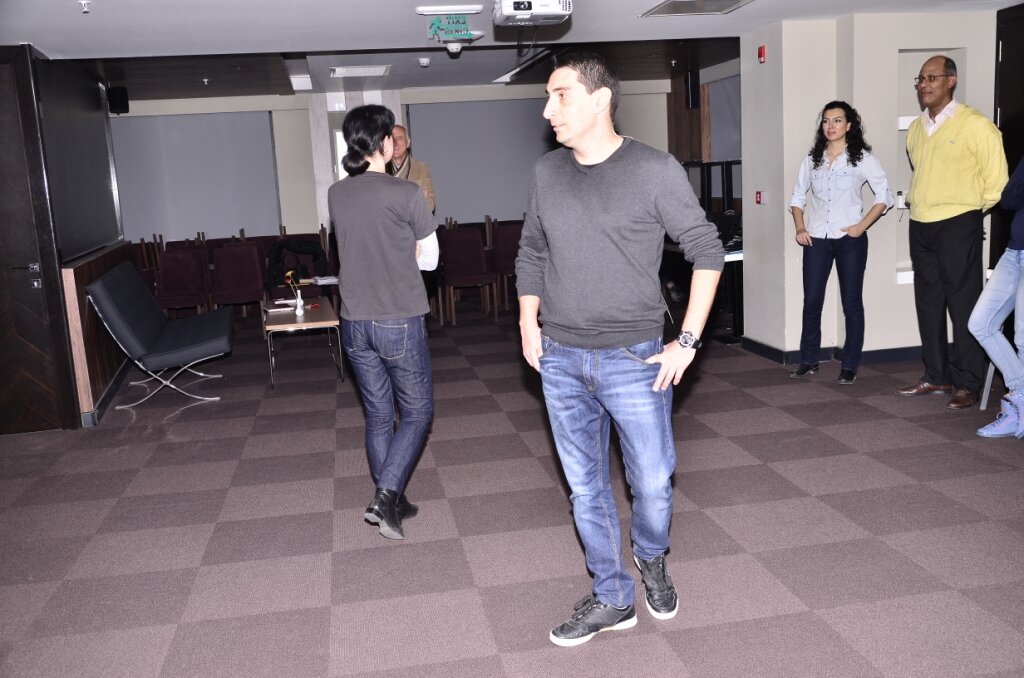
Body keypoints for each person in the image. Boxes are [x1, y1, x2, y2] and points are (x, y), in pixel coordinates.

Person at [515, 52, 724, 647]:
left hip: (635, 358)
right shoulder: (546, 173)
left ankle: (651, 555)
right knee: (586, 488)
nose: (548, 109)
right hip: (560, 356)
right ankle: (612, 595)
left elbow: (707, 251)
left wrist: (687, 341)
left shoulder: (655, 170)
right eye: (548, 96)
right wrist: (528, 321)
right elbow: (532, 250)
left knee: (652, 483)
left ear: (601, 99)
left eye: (560, 95)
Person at [328, 105, 439, 540]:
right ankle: (386, 495)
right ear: (384, 143)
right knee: (417, 411)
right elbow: (430, 261)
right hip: (398, 319)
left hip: (354, 323)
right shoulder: (406, 193)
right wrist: (408, 249)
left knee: (377, 415)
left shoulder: (337, 193)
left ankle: (394, 498)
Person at [895, 55, 1008, 410]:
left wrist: (969, 213)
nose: (924, 84)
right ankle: (936, 374)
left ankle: (968, 382)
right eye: (920, 79)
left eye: (932, 77)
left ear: (951, 81)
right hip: (921, 223)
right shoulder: (917, 128)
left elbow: (997, 183)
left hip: (959, 223)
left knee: (963, 305)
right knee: (928, 303)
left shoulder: (976, 124)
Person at [788, 101, 893, 385]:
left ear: (849, 125)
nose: (830, 126)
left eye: (837, 120)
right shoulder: (812, 160)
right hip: (817, 239)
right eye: (826, 121)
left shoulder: (862, 159)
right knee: (812, 302)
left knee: (852, 303)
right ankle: (809, 360)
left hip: (850, 240)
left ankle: (850, 364)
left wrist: (861, 226)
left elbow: (884, 196)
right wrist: (800, 227)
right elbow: (797, 197)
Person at [969, 158, 1024, 437]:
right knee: (981, 323)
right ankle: (1021, 395)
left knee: (1022, 338)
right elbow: (1009, 199)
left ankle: (1017, 410)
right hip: (1014, 252)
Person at [387, 124, 436, 213]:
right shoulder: (380, 169)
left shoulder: (420, 168)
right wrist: (415, 200)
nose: (395, 143)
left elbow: (430, 204)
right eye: (391, 139)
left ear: (408, 142)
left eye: (399, 138)